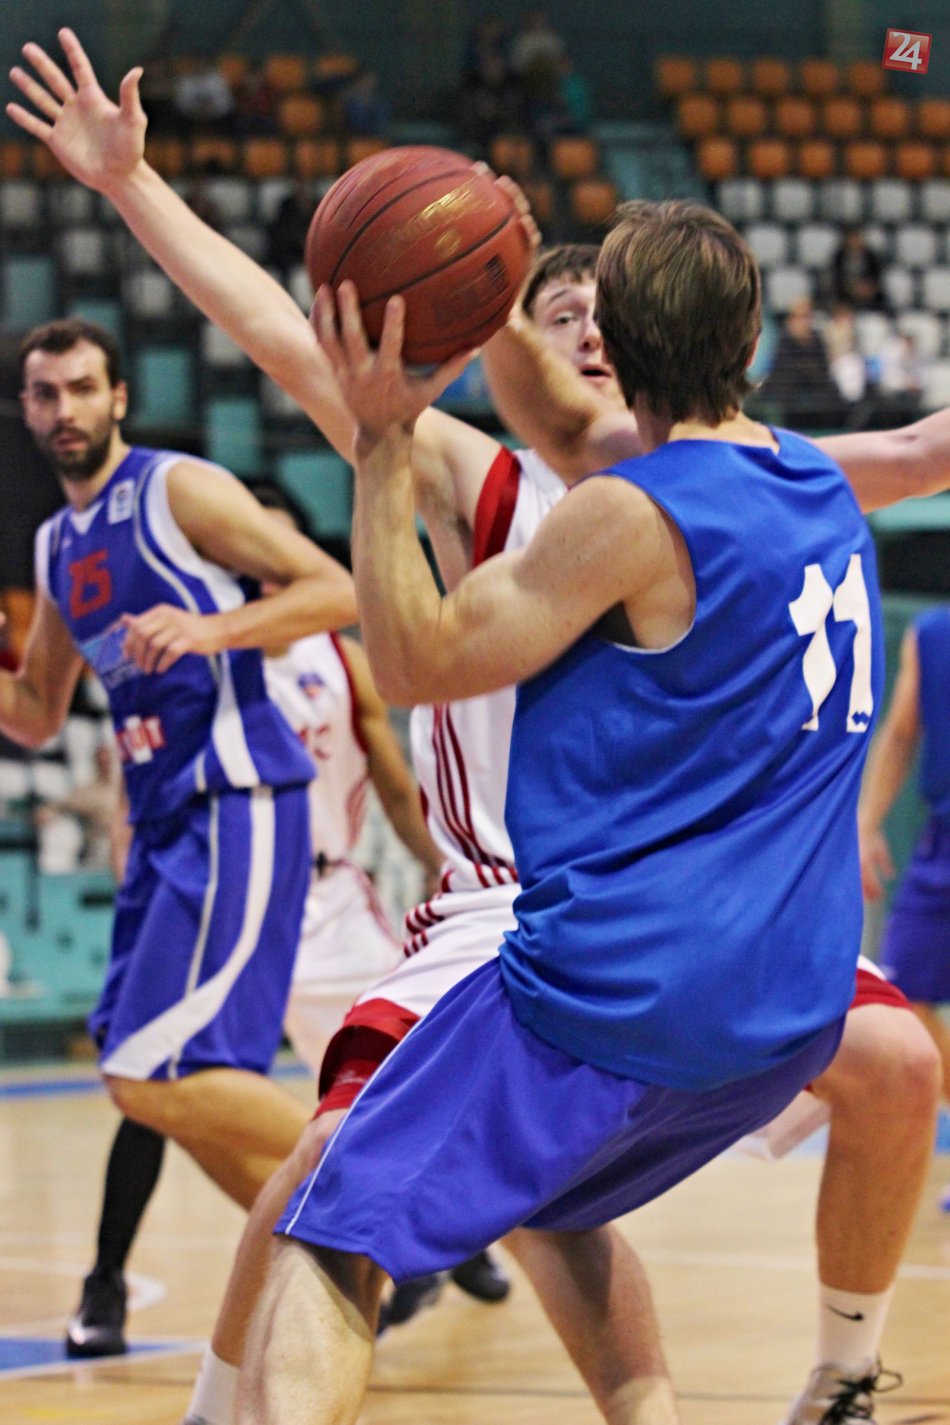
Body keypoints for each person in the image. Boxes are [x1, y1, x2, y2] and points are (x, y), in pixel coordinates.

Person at [11, 39, 947, 1424]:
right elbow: (276, 332)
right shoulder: (475, 474)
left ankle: (843, 1368)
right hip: (504, 903)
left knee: (894, 1063)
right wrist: (133, 185)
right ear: (502, 335)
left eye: (598, 313)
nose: (584, 330)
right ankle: (220, 1405)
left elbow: (919, 452)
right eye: (553, 311)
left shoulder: (741, 480)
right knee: (335, 1169)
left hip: (657, 908)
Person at [0, 314, 357, 1358]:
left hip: (236, 798)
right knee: (167, 1093)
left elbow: (334, 588)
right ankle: (337, 1253)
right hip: (161, 825)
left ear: (119, 397)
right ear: (25, 410)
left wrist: (212, 629)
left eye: (82, 387)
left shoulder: (176, 489)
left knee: (147, 1072)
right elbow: (37, 712)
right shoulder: (55, 545)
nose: (63, 408)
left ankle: (379, 1184)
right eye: (44, 393)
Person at [66, 480, 439, 1359]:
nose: (258, 569)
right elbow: (114, 725)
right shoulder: (189, 644)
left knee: (406, 1073)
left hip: (328, 899)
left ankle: (438, 1243)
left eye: (273, 551)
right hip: (218, 883)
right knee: (156, 1082)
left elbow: (392, 778)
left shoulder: (335, 656)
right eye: (239, 552)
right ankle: (107, 1279)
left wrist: (438, 863)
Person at [859, 612, 950, 1111]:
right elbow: (899, 733)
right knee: (900, 997)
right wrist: (867, 822)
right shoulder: (930, 635)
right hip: (942, 844)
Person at [830, 226, 886, 313]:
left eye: (857, 239)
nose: (854, 242)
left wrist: (867, 288)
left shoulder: (871, 256)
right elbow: (837, 278)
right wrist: (852, 288)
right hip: (846, 293)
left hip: (868, 293)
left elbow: (876, 277)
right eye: (852, 239)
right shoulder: (839, 257)